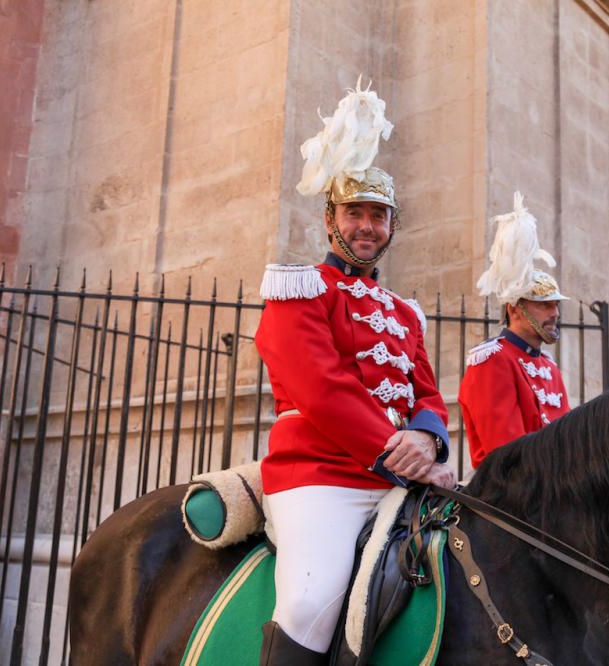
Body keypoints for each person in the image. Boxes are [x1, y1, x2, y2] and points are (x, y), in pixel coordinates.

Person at [254, 79, 454, 665]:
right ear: (330, 220)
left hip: (404, 476)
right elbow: (321, 389)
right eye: (355, 213)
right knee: (310, 604)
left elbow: (428, 392)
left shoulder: (402, 312)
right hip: (322, 478)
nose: (368, 226)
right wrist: (397, 448)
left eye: (379, 216)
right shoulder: (299, 291)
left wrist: (428, 439)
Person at [457, 192, 570, 468]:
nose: (554, 313)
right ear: (515, 308)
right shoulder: (493, 360)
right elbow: (506, 454)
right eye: (544, 305)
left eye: (555, 305)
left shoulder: (548, 366)